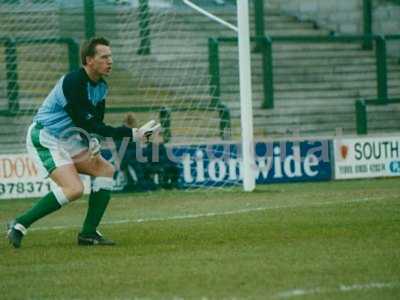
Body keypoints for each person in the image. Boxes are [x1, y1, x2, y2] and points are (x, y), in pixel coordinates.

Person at [6, 37, 160, 248]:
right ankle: (19, 224)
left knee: (106, 170)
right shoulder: (73, 82)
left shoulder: (101, 88)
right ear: (89, 60)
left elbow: (95, 123)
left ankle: (88, 234)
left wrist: (95, 140)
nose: (110, 61)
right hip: (46, 137)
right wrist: (135, 134)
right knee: (74, 188)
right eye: (104, 57)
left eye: (111, 56)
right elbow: (83, 120)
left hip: (68, 138)